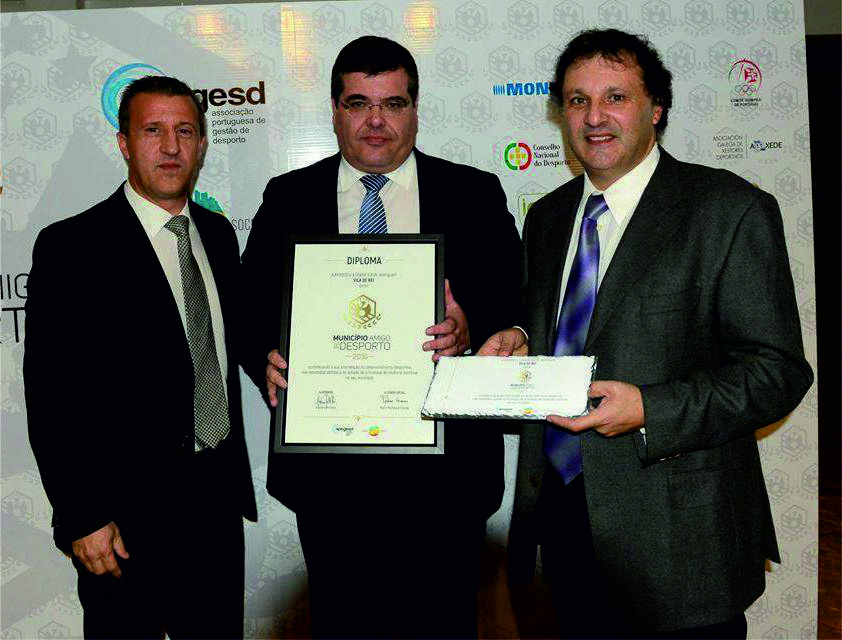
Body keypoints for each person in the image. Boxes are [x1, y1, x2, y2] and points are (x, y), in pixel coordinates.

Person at [479, 29, 813, 639]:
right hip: (562, 523)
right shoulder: (548, 217)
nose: (594, 117)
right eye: (577, 100)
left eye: (616, 97)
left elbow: (777, 372)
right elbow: (569, 328)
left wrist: (649, 409)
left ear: (656, 108)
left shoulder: (728, 209)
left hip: (680, 540)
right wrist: (524, 336)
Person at [240, 36, 522, 639]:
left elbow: (514, 302)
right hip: (331, 482)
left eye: (393, 104)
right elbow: (249, 308)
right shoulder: (288, 198)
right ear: (334, 110)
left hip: (446, 481)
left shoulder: (473, 194)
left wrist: (471, 330)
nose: (376, 121)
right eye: (358, 103)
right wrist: (265, 354)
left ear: (415, 110)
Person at [23, 76, 256, 639]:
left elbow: (232, 344)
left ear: (203, 143)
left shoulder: (219, 236)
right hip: (122, 525)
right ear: (124, 143)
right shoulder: (72, 247)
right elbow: (50, 396)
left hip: (215, 512)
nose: (171, 147)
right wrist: (82, 515)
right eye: (153, 131)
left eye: (185, 132)